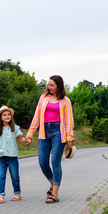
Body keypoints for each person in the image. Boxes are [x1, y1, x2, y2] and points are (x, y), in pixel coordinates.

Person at [26, 75, 74, 204]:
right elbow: (37, 116)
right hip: (44, 132)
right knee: (42, 162)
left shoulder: (65, 101)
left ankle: (55, 194)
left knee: (55, 161)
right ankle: (53, 184)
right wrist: (30, 134)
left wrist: (69, 138)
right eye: (48, 85)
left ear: (59, 86)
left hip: (59, 132)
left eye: (52, 85)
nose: (49, 87)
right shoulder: (44, 97)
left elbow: (69, 121)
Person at [0, 106, 26, 203]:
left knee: (15, 175)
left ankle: (17, 193)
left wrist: (27, 140)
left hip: (12, 156)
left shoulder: (15, 128)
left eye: (8, 115)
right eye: (4, 115)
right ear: (0, 117)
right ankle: (1, 195)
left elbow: (21, 139)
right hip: (1, 157)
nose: (7, 116)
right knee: (1, 176)